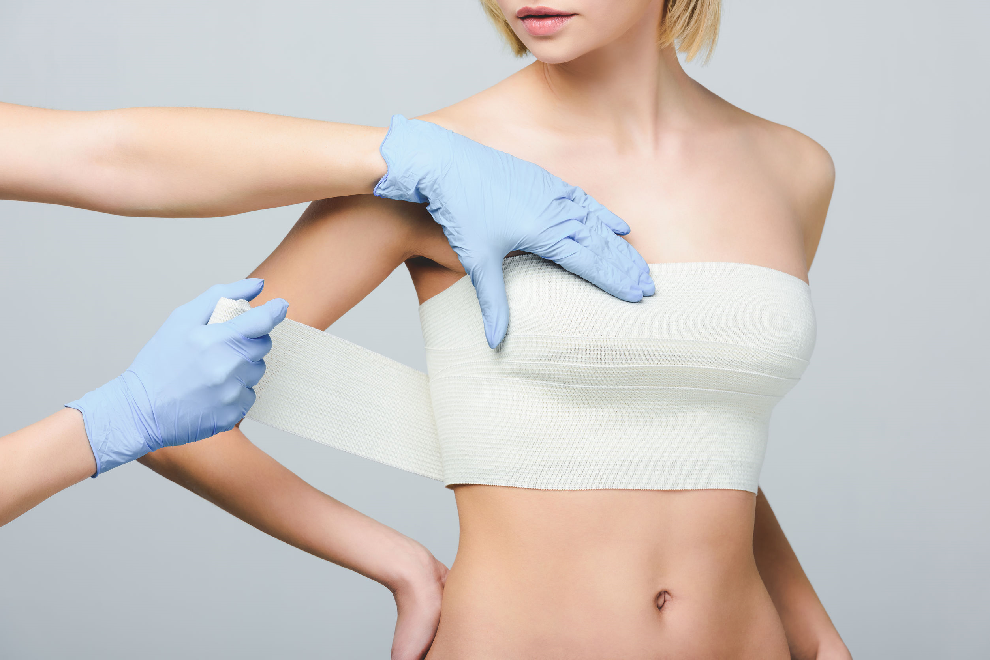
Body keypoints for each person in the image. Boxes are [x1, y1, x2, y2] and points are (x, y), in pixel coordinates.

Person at [102, 2, 856, 660]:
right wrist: (398, 563)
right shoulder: (440, 165)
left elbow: (702, 438)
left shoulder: (792, 169)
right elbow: (169, 411)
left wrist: (815, 631)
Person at [0, 97, 655, 524]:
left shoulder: (451, 165)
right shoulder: (416, 194)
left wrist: (409, 157)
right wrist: (112, 422)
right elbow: (188, 443)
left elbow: (101, 154)